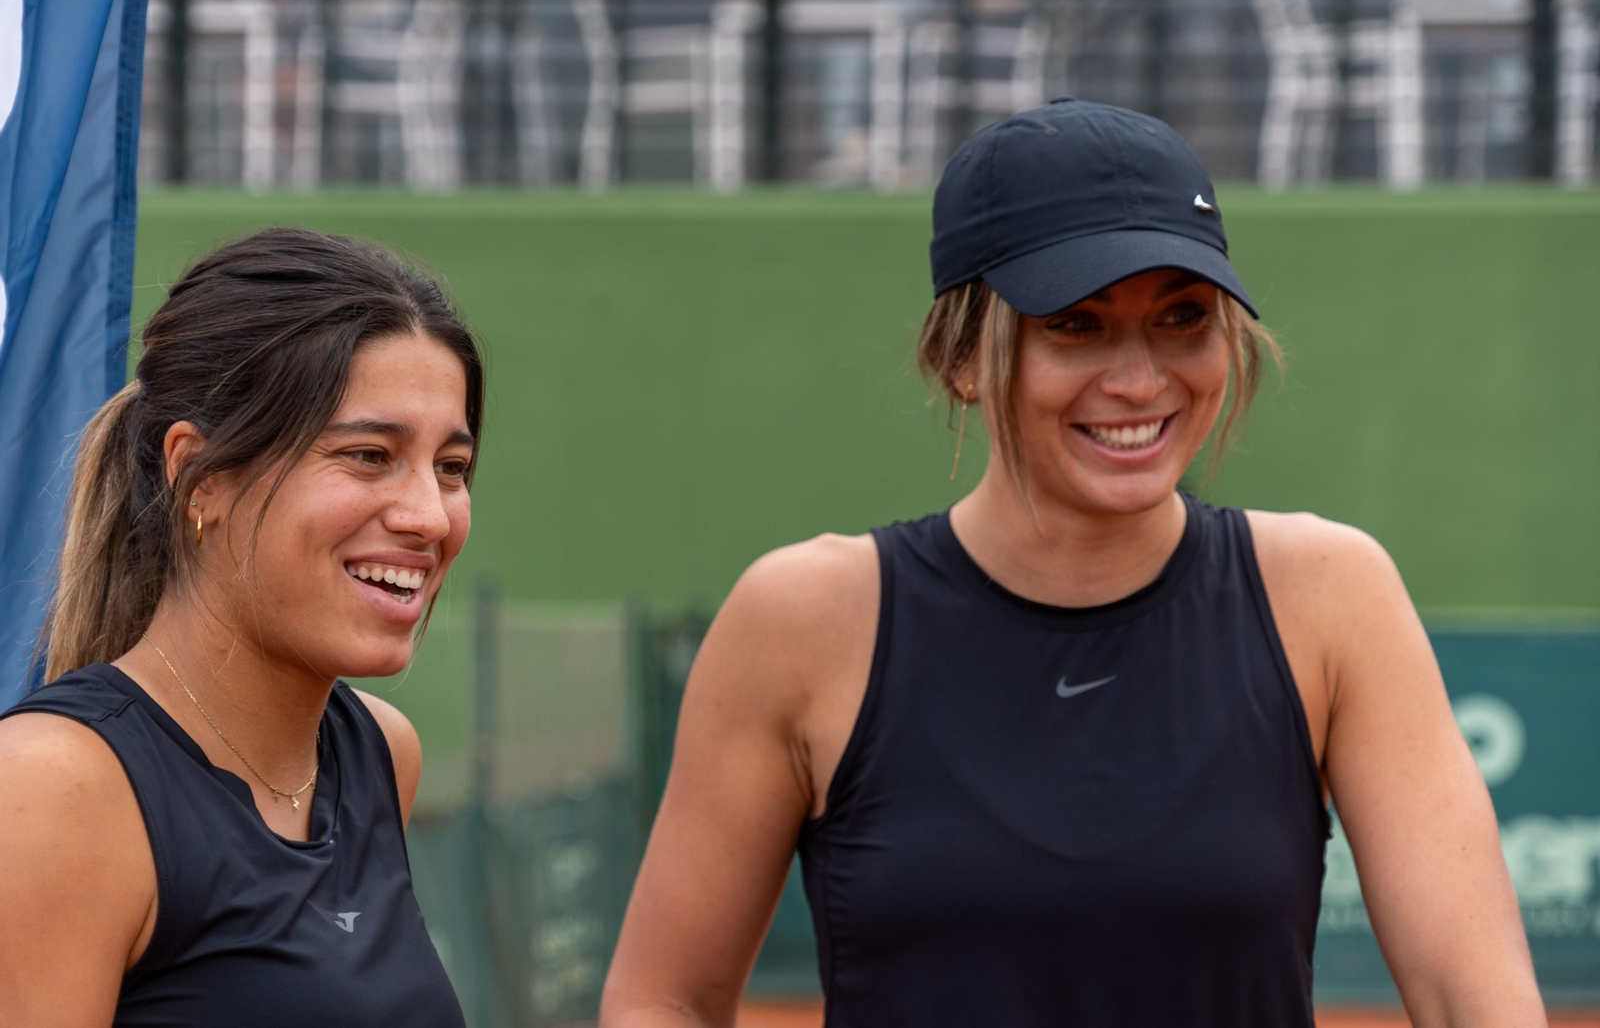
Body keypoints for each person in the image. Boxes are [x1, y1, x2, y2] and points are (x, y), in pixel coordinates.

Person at [599, 99, 1545, 1026]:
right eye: (1076, 325)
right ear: (961, 358)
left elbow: (1475, 1000)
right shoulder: (802, 617)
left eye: (1183, 317)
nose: (1140, 380)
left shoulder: (1333, 594)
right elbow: (662, 999)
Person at [0, 228, 481, 1027]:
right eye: (368, 455)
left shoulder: (380, 753)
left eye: (452, 468)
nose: (429, 515)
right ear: (201, 475)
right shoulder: (50, 787)